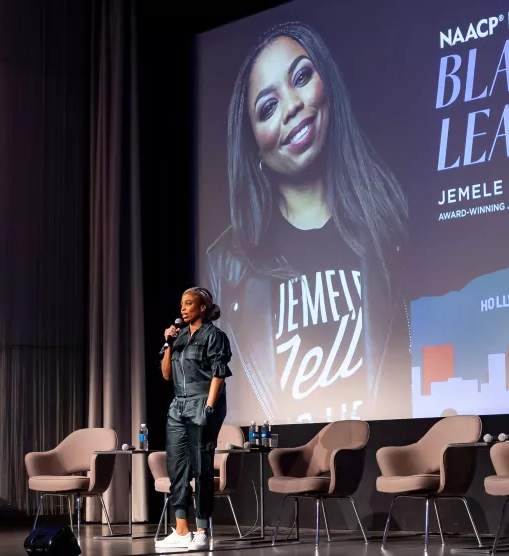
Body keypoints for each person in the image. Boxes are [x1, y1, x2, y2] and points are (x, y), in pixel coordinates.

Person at [206, 21, 411, 425]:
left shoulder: (391, 225)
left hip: (374, 457)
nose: (293, 105)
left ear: (327, 85)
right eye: (268, 107)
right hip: (279, 465)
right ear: (253, 148)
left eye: (301, 77)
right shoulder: (230, 265)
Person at [154, 287, 232, 550]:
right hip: (178, 405)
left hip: (202, 403)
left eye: (189, 304)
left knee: (202, 467)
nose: (183, 308)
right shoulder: (178, 338)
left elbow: (218, 374)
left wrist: (209, 408)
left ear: (202, 308)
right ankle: (181, 529)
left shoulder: (215, 336)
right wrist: (168, 344)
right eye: (181, 304)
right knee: (177, 467)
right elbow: (166, 375)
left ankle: (201, 530)